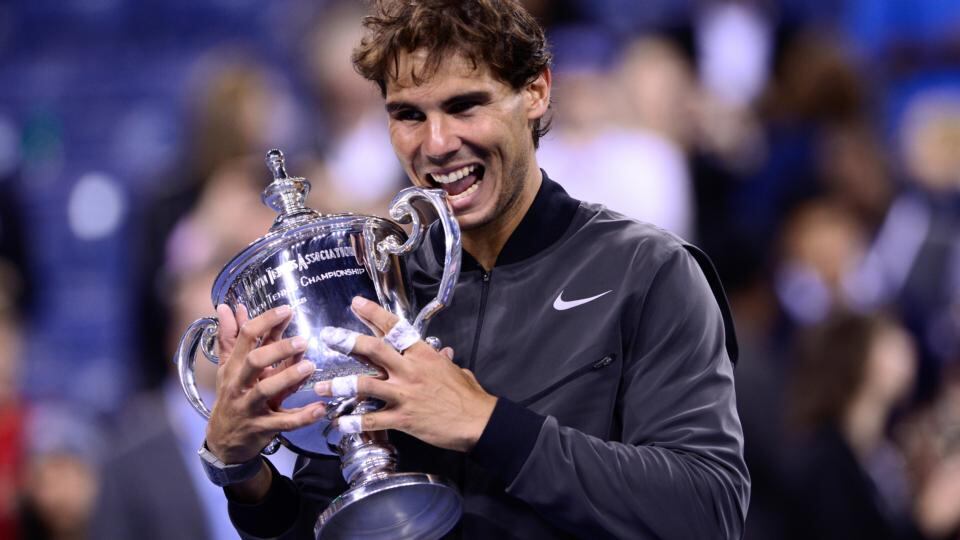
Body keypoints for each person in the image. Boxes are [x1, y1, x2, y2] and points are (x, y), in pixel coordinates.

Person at [201, 1, 749, 538]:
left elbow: (707, 508)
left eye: (465, 106)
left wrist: (486, 424)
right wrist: (246, 474)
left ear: (536, 91)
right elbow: (343, 515)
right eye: (409, 115)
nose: (437, 145)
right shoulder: (380, 285)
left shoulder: (651, 271)